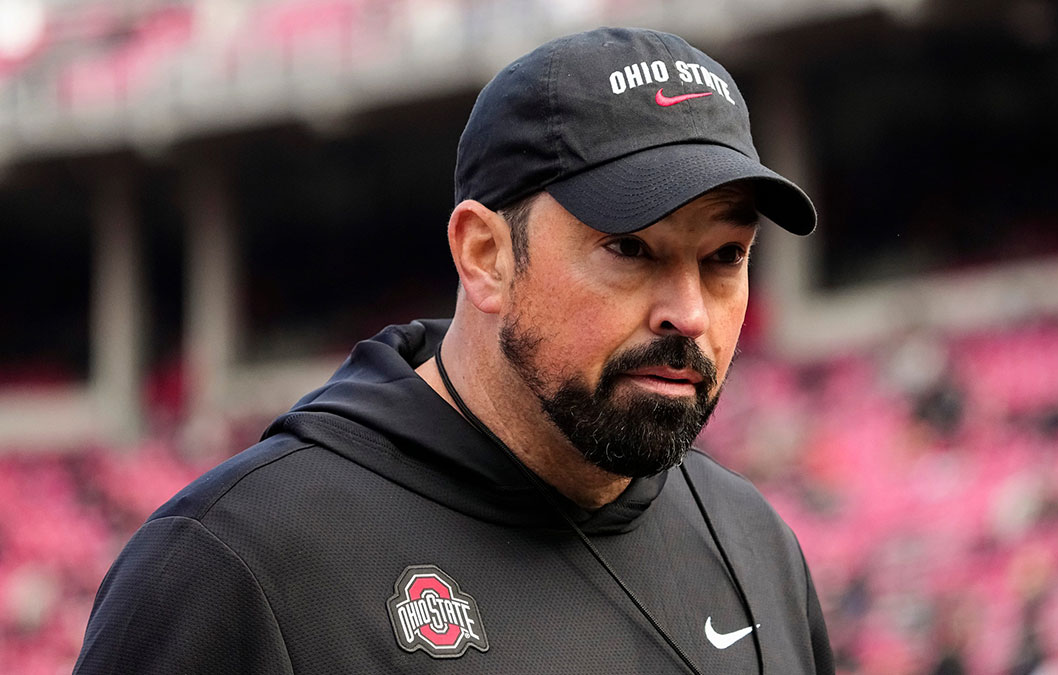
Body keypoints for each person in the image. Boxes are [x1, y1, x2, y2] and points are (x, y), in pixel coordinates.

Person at [74, 27, 834, 674]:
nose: (689, 314)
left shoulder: (754, 543)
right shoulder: (237, 562)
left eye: (725, 256)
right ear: (485, 255)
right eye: (630, 249)